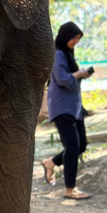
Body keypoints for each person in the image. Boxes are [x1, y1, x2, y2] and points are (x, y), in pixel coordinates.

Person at [41, 21, 92, 200]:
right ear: (65, 36)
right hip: (62, 108)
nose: (76, 41)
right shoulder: (58, 54)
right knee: (72, 147)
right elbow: (62, 79)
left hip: (74, 108)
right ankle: (70, 190)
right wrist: (80, 74)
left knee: (81, 145)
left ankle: (51, 162)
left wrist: (81, 74)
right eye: (74, 38)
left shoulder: (68, 55)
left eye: (78, 38)